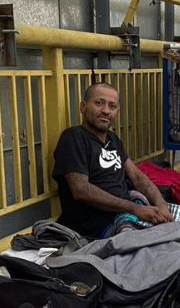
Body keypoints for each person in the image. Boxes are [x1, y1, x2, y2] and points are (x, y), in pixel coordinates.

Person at [52, 82, 173, 238]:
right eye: (99, 103)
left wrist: (161, 204)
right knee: (167, 244)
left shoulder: (113, 139)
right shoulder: (73, 137)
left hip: (127, 213)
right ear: (83, 107)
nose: (105, 111)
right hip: (97, 226)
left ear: (117, 111)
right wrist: (134, 209)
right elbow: (80, 190)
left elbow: (137, 177)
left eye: (112, 106)